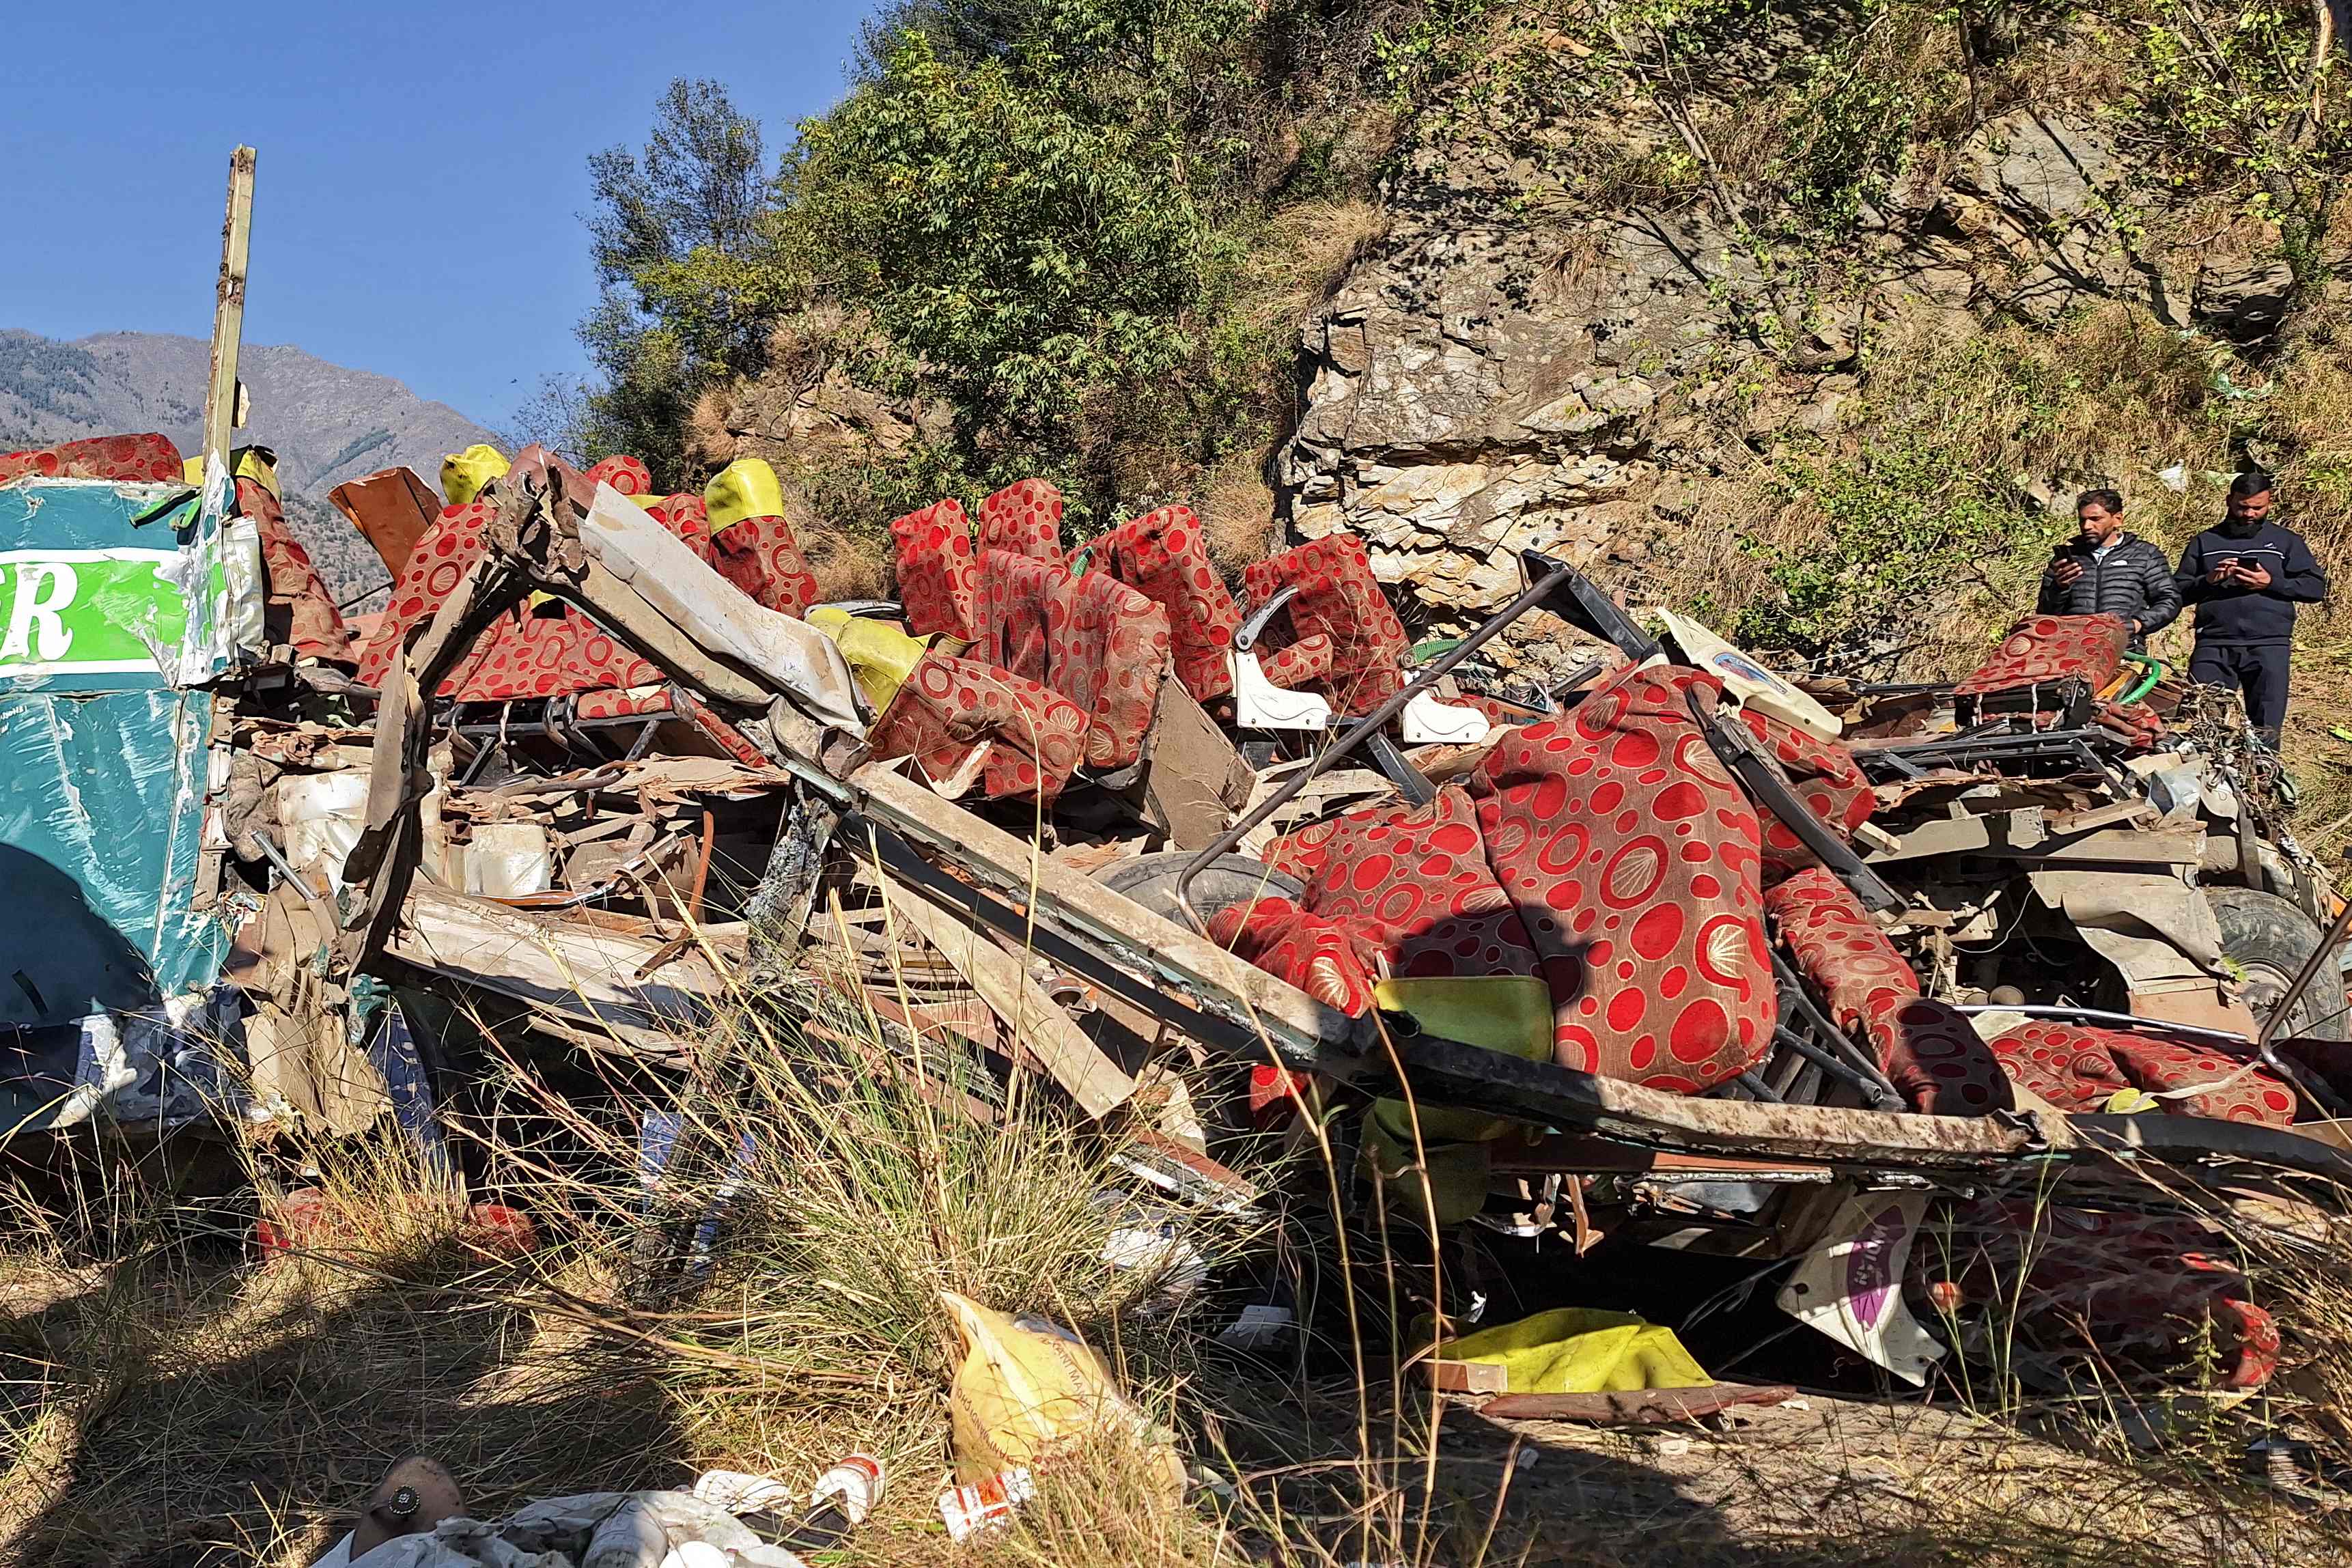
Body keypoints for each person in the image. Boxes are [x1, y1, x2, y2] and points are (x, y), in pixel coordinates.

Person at [2174, 469, 2329, 747]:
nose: (2249, 514)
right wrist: (2208, 581)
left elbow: (2315, 588)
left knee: (2266, 727)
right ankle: (2209, 782)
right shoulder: (2204, 542)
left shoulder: (2286, 541)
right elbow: (2176, 593)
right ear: (2228, 501)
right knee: (2204, 722)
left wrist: (2270, 583)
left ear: (2269, 504)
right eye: (2242, 507)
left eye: (2258, 508)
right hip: (2213, 644)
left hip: (2269, 645)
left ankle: (2263, 784)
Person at [2036, 488, 2180, 647]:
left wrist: (2138, 624)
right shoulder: (2066, 559)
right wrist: (2059, 588)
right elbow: (2045, 614)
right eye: (2082, 520)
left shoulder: (2145, 555)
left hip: (2125, 649)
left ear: (2117, 519)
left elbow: (2169, 599)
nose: (2087, 526)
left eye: (2095, 519)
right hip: (2072, 648)